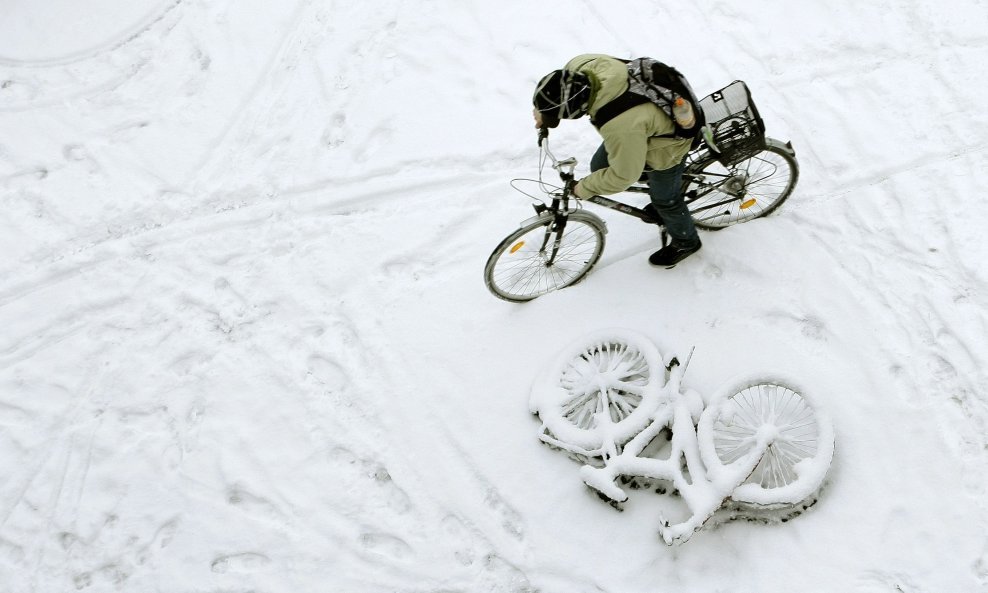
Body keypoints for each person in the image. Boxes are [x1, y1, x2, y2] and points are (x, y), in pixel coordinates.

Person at [532, 54, 701, 267]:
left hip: (669, 144)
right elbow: (556, 89)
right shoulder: (583, 66)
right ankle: (648, 173)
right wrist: (542, 110)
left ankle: (687, 241)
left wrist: (583, 188)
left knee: (665, 199)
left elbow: (624, 175)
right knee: (600, 167)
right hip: (643, 118)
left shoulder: (620, 125)